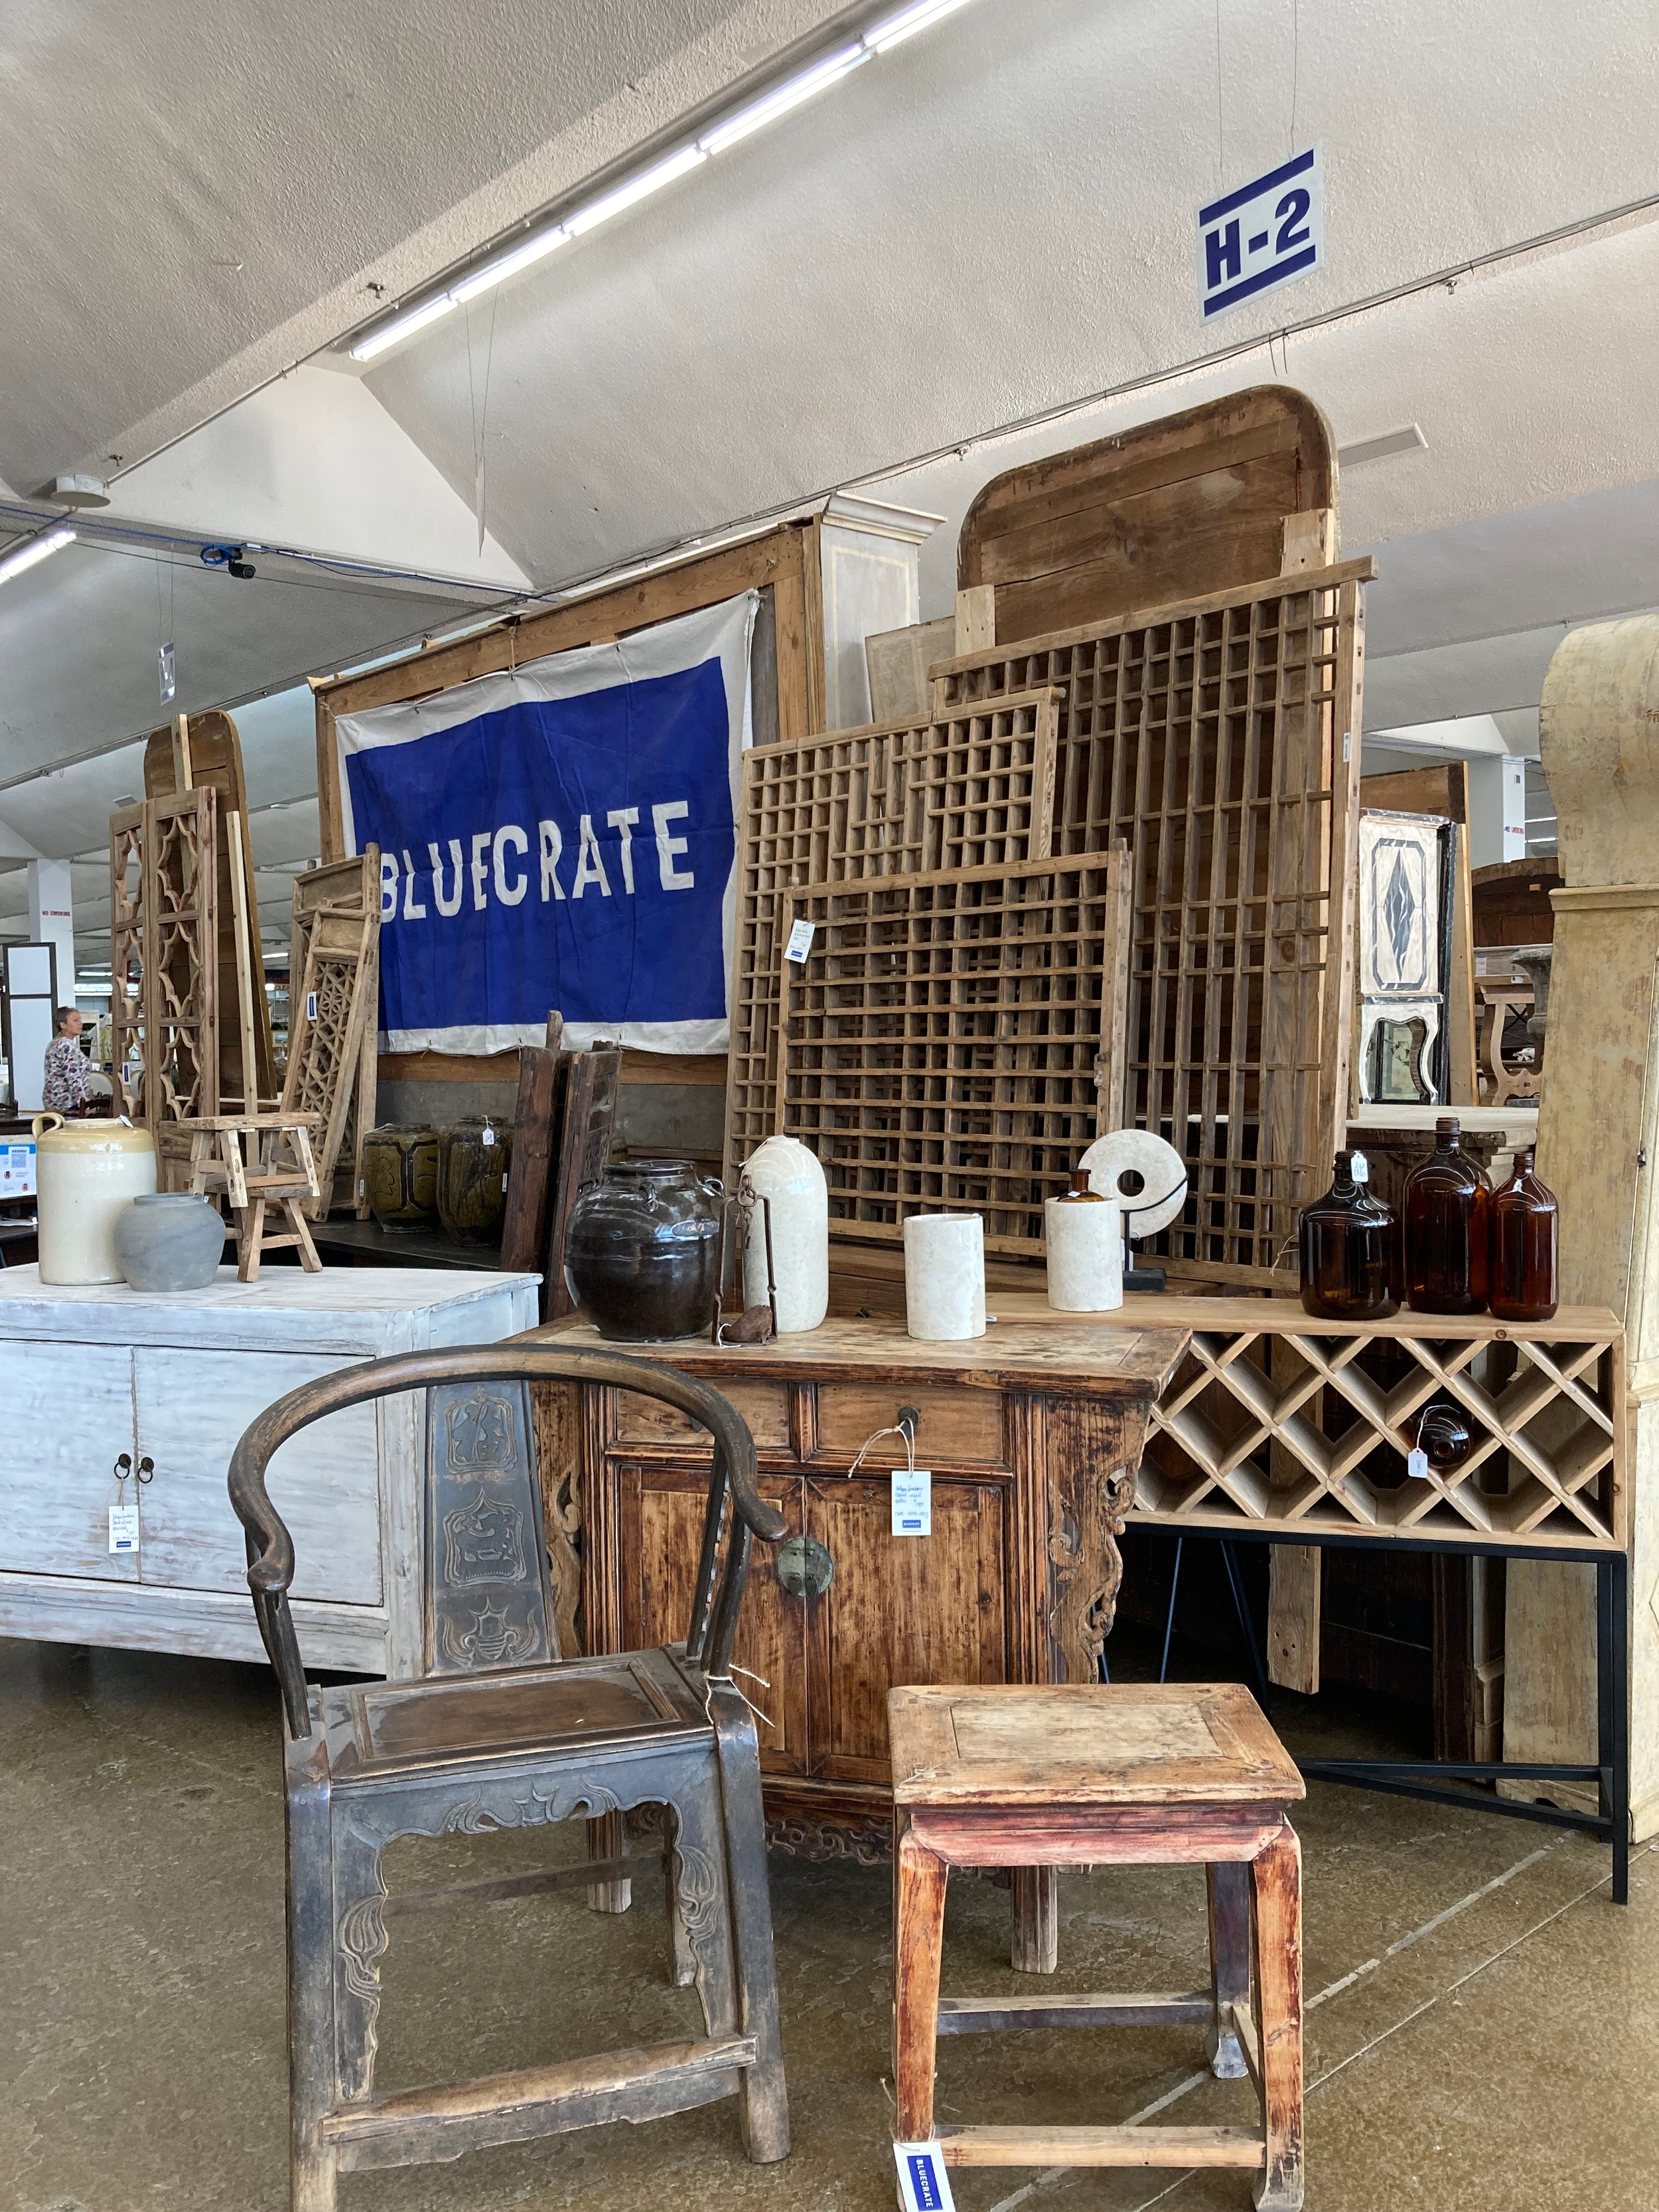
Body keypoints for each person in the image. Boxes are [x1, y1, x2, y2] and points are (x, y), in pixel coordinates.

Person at [42, 1007, 92, 1114]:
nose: (81, 1023)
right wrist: (84, 1104)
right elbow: (73, 1077)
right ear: (63, 1025)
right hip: (67, 1104)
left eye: (80, 1020)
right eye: (76, 1020)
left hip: (54, 1101)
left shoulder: (55, 1043)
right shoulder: (66, 1045)